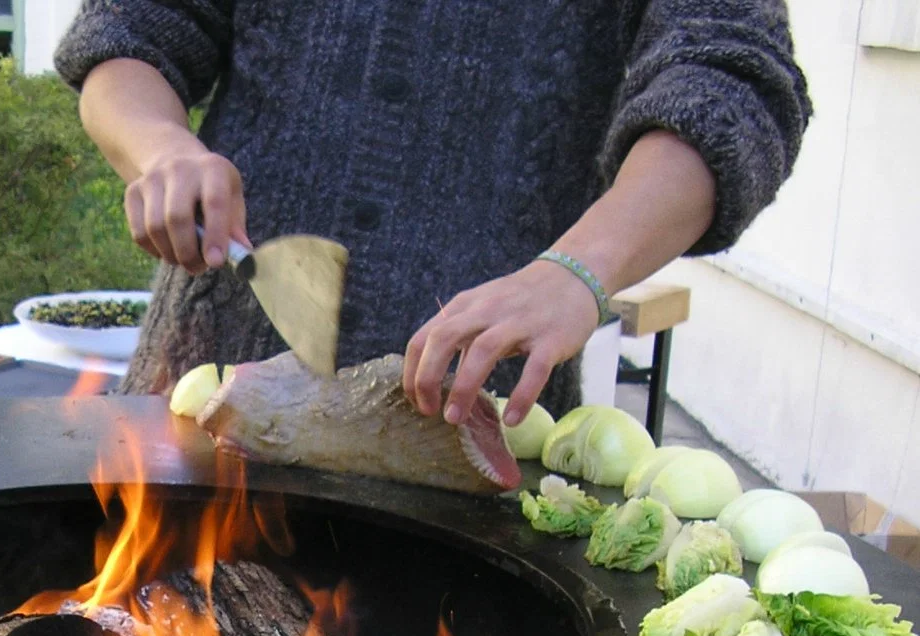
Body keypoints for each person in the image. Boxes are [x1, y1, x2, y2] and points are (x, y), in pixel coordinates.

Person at [54, 1, 810, 428]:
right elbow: (130, 35)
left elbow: (732, 86)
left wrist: (575, 272)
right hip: (200, 401)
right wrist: (161, 148)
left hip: (462, 444)